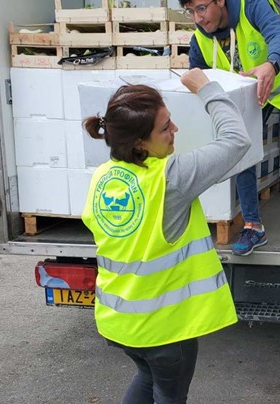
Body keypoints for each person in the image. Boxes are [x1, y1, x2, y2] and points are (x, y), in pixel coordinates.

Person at [81, 68, 250, 404]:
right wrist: (206, 88)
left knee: (147, 377)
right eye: (165, 127)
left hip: (120, 322)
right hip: (164, 330)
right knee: (169, 395)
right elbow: (236, 141)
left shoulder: (104, 176)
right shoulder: (170, 179)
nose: (175, 129)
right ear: (139, 143)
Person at [179, 0, 280, 255]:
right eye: (190, 11)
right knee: (241, 151)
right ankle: (253, 226)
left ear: (220, 1)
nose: (197, 18)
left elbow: (279, 35)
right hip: (253, 95)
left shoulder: (252, 6)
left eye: (200, 8)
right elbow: (197, 75)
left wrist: (271, 64)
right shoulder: (200, 38)